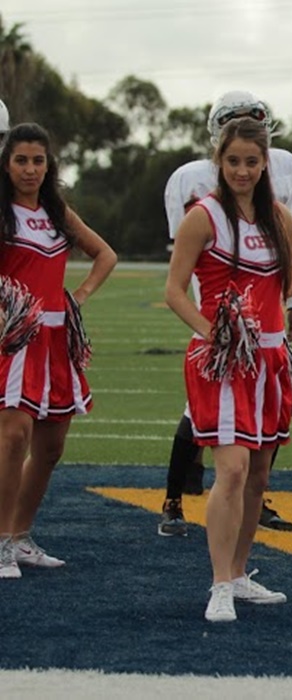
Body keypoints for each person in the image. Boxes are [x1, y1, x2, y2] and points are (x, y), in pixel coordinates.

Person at [164, 117, 292, 621]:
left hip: (270, 357)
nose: (242, 171)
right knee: (231, 470)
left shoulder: (278, 216)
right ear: (219, 162)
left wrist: (276, 293)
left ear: (265, 163)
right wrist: (213, 331)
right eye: (232, 161)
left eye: (251, 161)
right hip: (223, 362)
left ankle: (240, 573)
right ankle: (219, 584)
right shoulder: (202, 217)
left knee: (258, 476)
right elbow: (174, 291)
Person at [0, 122, 118, 579]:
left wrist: (79, 296)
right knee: (13, 439)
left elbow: (105, 254)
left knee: (50, 448)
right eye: (21, 160)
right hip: (15, 339)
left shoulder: (57, 212)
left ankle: (20, 536)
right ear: (6, 165)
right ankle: (1, 543)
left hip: (56, 341)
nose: (30, 170)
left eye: (38, 161)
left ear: (49, 166)